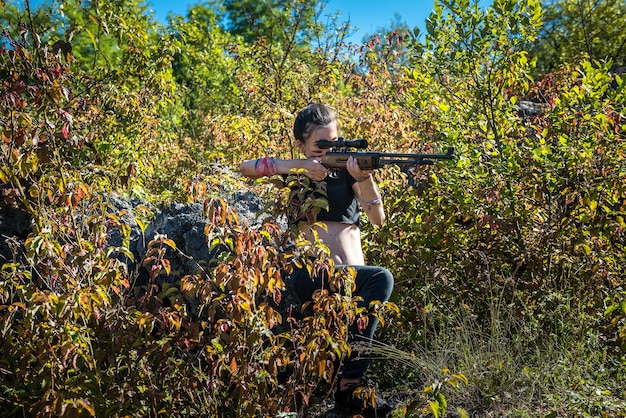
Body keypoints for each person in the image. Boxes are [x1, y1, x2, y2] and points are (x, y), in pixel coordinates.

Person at [239, 103, 394, 417]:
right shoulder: (296, 172)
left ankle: (351, 392)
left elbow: (377, 218)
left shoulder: (348, 171)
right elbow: (246, 167)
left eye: (333, 142)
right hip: (311, 275)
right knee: (383, 278)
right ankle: (350, 387)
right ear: (302, 144)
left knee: (377, 281)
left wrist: (363, 178)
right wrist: (297, 166)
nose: (328, 150)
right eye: (320, 145)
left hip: (351, 280)